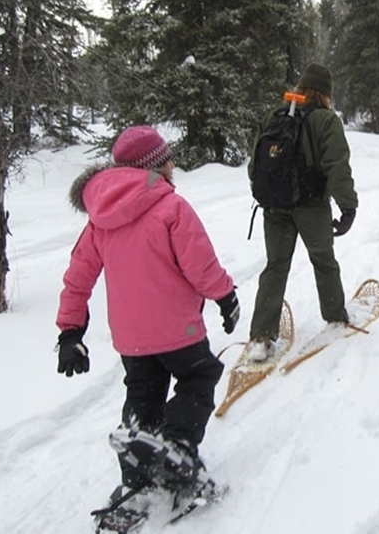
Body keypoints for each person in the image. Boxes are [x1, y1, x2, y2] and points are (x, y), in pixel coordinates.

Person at [55, 125, 240, 490]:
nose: (173, 164)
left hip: (131, 336)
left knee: (143, 392)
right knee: (199, 377)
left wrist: (70, 332)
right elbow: (201, 267)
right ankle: (177, 447)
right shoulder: (171, 207)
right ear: (155, 165)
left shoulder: (99, 219)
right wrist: (226, 296)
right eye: (167, 158)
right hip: (177, 330)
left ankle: (137, 472)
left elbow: (78, 277)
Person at [247, 62, 358, 362]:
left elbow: (254, 166)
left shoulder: (275, 115)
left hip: (274, 207)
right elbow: (337, 167)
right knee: (323, 260)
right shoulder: (326, 121)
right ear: (325, 93)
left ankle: (260, 337)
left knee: (275, 267)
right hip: (311, 206)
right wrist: (348, 206)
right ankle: (335, 316)